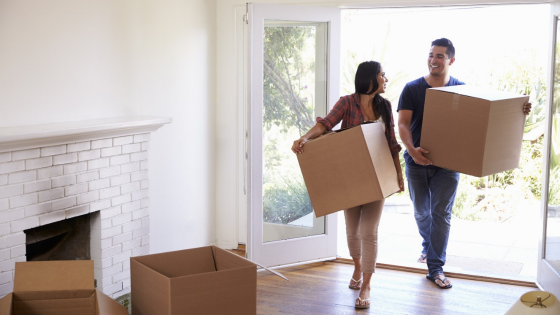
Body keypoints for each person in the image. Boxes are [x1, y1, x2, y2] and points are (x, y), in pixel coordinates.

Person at [397, 38, 532, 289]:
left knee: (441, 214)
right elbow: (403, 123)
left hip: (448, 165)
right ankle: (428, 245)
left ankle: (435, 268)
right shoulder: (412, 88)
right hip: (416, 162)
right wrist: (412, 150)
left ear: (451, 60)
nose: (433, 60)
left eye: (439, 56)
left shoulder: (462, 89)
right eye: (430, 55)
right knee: (421, 212)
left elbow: (486, 116)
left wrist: (519, 110)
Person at [292, 61, 404, 309]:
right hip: (350, 178)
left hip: (377, 176)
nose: (386, 78)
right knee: (352, 231)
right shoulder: (347, 102)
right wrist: (304, 138)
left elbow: (392, 142)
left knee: (369, 231)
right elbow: (326, 125)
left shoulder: (384, 106)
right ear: (370, 79)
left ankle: (366, 284)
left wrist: (398, 173)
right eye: (382, 74)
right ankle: (356, 266)